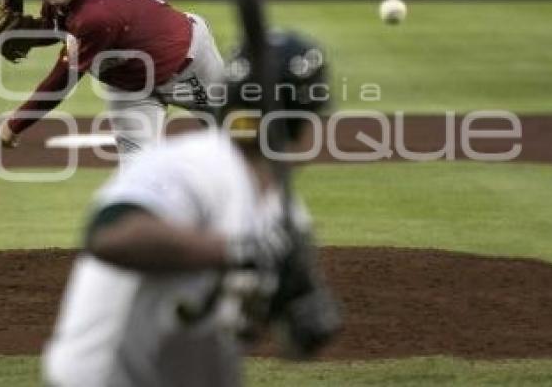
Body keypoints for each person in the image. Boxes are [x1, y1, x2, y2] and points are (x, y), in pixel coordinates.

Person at [41, 31, 341, 387]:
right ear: (307, 122)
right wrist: (242, 251)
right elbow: (110, 236)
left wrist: (296, 312)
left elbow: (251, 332)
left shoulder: (286, 215)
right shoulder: (191, 164)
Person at [0, 0, 225, 158]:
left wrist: (14, 124)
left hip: (188, 65)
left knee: (237, 137)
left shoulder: (97, 15)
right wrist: (29, 35)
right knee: (136, 174)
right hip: (129, 85)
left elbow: (61, 80)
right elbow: (61, 28)